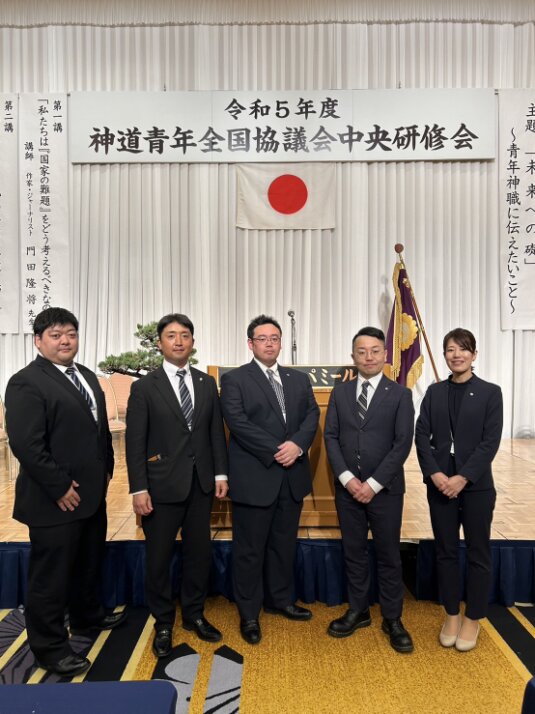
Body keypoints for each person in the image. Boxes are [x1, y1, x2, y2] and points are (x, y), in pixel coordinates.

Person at [5, 307, 124, 677]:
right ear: (38, 341)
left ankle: (87, 616)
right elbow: (26, 444)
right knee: (50, 578)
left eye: (71, 333)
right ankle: (50, 648)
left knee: (87, 562)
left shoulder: (85, 375)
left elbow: (98, 430)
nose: (65, 341)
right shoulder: (25, 382)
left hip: (91, 494)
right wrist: (58, 486)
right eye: (55, 335)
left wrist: (107, 469)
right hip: (53, 499)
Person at [126, 313, 228, 657]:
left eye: (185, 335)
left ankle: (194, 614)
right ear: (160, 343)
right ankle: (164, 622)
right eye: (171, 335)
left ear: (192, 342)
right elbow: (135, 443)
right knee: (158, 558)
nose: (179, 341)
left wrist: (220, 474)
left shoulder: (205, 383)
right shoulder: (144, 387)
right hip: (160, 487)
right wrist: (138, 488)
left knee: (199, 554)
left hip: (200, 484)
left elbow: (215, 433)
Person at [220, 315, 319, 645]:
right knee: (249, 550)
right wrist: (280, 449)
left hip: (291, 478)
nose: (269, 343)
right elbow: (237, 421)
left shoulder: (298, 379)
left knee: (283, 545)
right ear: (250, 343)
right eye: (262, 339)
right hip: (255, 477)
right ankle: (249, 613)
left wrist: (298, 445)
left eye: (274, 338)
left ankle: (280, 600)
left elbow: (312, 415)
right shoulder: (235, 380)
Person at [324, 326, 414, 653]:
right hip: (348, 490)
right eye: (362, 352)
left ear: (384, 354)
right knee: (354, 552)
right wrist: (348, 479)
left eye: (375, 351)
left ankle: (392, 618)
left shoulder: (400, 395)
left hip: (385, 490)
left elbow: (402, 443)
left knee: (389, 554)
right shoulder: (340, 393)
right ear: (353, 356)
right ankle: (358, 610)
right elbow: (331, 437)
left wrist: (373, 484)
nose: (369, 357)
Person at [415, 328, 502, 652]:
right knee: (446, 551)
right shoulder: (434, 392)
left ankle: (473, 617)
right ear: (445, 355)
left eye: (463, 349)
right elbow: (421, 435)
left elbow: (490, 442)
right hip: (440, 484)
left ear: (474, 355)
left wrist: (462, 477)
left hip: (476, 486)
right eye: (451, 349)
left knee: (478, 552)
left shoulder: (491, 392)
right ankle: (452, 614)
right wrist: (436, 474)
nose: (457, 355)